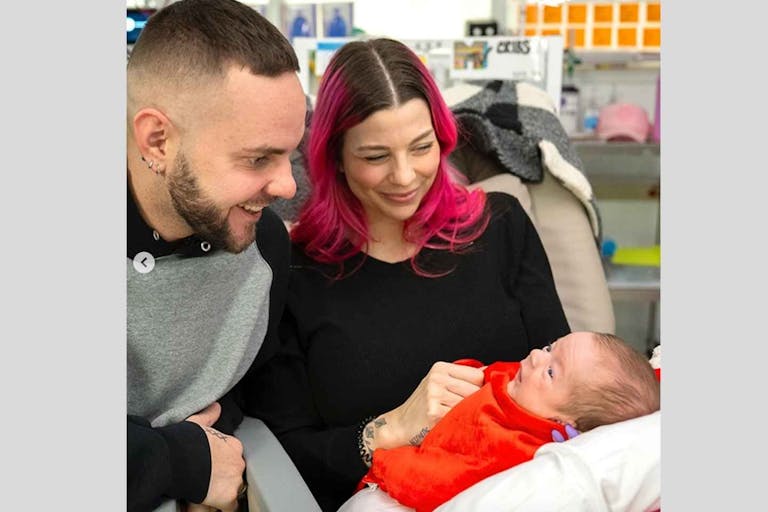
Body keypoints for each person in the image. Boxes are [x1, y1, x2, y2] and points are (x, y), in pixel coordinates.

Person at [243, 38, 571, 511]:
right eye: (376, 156)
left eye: (422, 147)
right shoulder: (295, 271)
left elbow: (567, 384)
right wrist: (390, 429)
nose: (404, 176)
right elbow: (285, 453)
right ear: (334, 157)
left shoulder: (502, 226)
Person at [126, 1, 307, 511]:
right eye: (257, 158)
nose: (288, 185)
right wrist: (177, 462)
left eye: (290, 154)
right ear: (158, 140)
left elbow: (242, 393)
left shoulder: (261, 245)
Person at [346, 331, 661, 512]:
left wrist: (392, 466)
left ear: (565, 422)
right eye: (551, 347)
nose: (537, 355)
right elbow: (488, 373)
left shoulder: (516, 447)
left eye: (552, 372)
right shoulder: (525, 385)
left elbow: (446, 479)